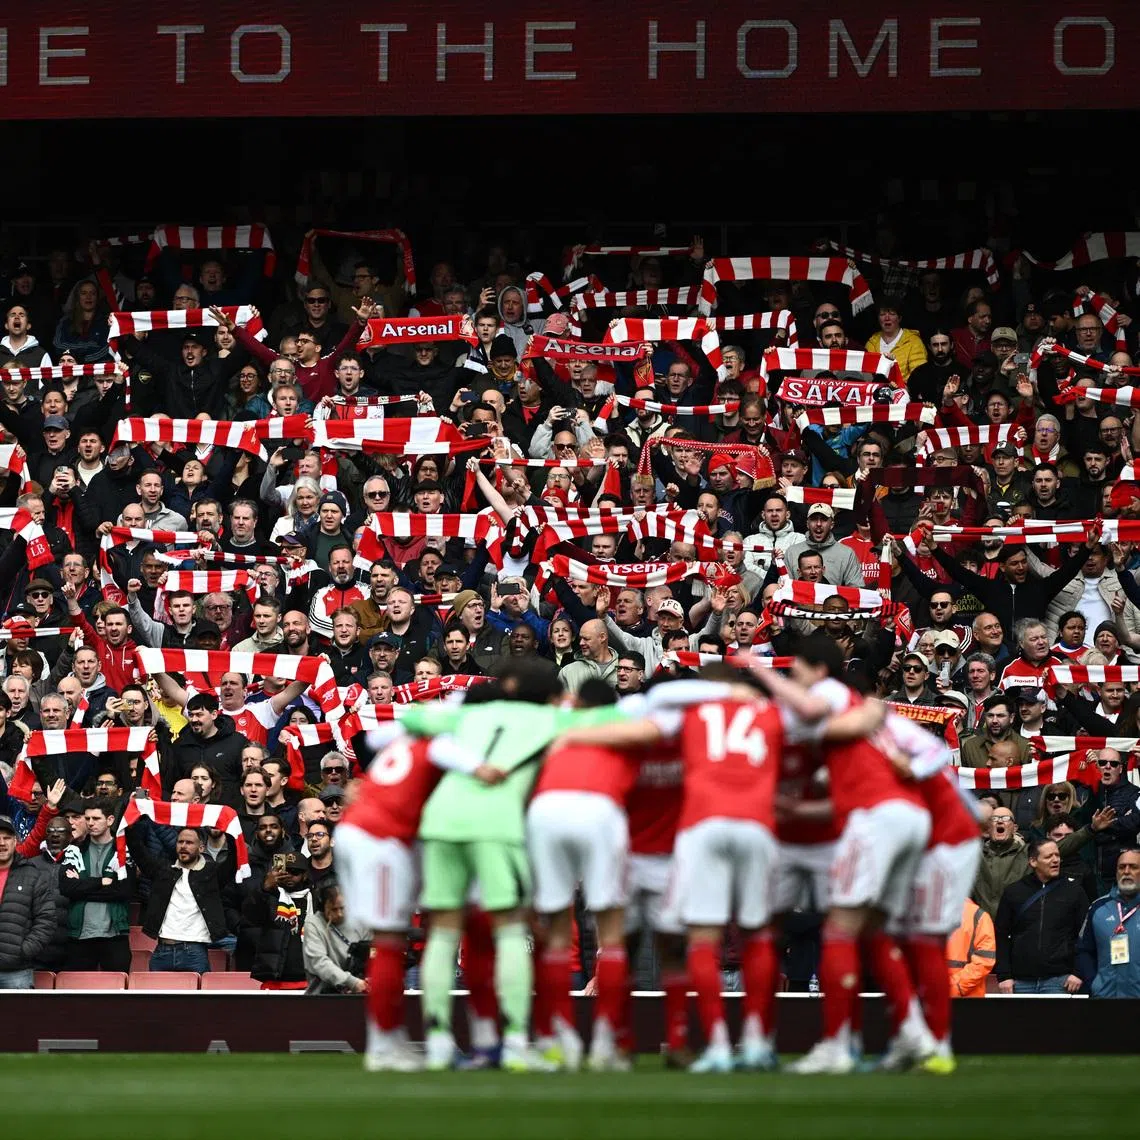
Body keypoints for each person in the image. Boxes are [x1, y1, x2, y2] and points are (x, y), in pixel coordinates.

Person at [335, 721, 503, 1071]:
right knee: (389, 941)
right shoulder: (438, 745)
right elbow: (471, 765)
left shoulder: (402, 738)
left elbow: (372, 738)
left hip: (368, 834)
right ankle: (382, 1046)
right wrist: (487, 768)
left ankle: (391, 1037)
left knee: (392, 940)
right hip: (378, 840)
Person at [125, 809, 233, 974]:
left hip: (195, 952)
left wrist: (232, 832)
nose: (183, 846)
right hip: (162, 950)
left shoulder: (211, 874)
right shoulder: (163, 870)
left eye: (189, 843)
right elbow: (138, 852)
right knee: (154, 1000)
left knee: (198, 1001)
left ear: (201, 847)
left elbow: (233, 861)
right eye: (180, 842)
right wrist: (133, 822)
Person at [994, 839, 1088, 994]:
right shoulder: (1014, 892)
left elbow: (1085, 935)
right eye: (1048, 856)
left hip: (1061, 980)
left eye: (1057, 855)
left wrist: (1078, 972)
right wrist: (1004, 975)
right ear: (1033, 861)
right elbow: (1001, 935)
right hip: (1020, 981)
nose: (1055, 860)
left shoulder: (1074, 891)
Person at [59, 797, 134, 971]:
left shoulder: (123, 849)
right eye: (87, 819)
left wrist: (83, 886)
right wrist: (102, 882)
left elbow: (123, 890)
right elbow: (67, 888)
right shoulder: (74, 850)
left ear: (110, 820)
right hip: (79, 936)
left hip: (115, 935)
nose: (90, 823)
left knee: (118, 993)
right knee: (78, 995)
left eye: (96, 818)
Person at [0, 813, 57, 989]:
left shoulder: (32, 875)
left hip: (17, 971)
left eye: (7, 838)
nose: (2, 843)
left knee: (19, 1017)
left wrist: (23, 951)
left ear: (16, 841)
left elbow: (46, 919)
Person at [1076, 849, 1140, 998]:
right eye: (1121, 867)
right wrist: (1094, 982)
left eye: (1133, 867)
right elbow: (1083, 950)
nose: (1126, 871)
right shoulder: (1098, 907)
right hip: (1105, 998)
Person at [303, 882, 372, 995]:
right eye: (334, 909)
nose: (339, 914)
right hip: (322, 996)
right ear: (322, 906)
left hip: (358, 994)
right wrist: (351, 982)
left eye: (343, 908)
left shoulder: (360, 923)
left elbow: (370, 954)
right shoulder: (313, 924)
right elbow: (319, 962)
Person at [946, 898, 996, 998]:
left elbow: (984, 962)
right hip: (967, 998)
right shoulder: (979, 916)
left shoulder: (924, 916)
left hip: (962, 996)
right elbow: (984, 961)